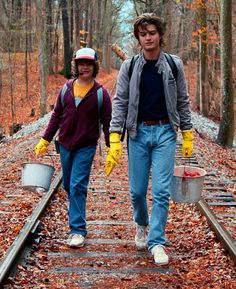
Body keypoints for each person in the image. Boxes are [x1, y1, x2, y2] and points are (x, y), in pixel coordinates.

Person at [105, 13, 193, 265]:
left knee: (163, 191)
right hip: (138, 134)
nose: (148, 38)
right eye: (143, 34)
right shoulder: (130, 66)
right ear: (138, 38)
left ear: (160, 35)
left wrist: (186, 133)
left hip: (165, 133)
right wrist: (114, 137)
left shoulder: (174, 64)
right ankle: (141, 224)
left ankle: (157, 242)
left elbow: (182, 100)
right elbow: (120, 102)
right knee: (137, 191)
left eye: (152, 33)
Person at [34, 47, 112, 248]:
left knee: (77, 185)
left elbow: (108, 122)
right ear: (76, 66)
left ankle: (77, 229)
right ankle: (76, 220)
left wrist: (112, 148)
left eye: (88, 64)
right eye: (80, 63)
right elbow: (56, 116)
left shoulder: (101, 94)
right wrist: (45, 139)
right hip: (65, 144)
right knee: (69, 185)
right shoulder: (66, 89)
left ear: (94, 67)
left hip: (86, 146)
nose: (84, 67)